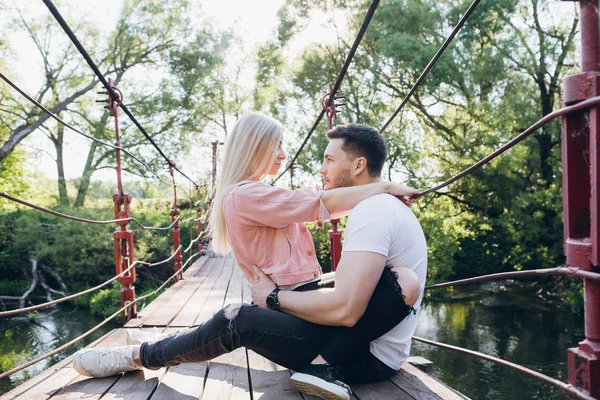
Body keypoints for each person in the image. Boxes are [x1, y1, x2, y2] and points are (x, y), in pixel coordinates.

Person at [72, 114, 427, 400]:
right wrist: (382, 186)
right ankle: (140, 355)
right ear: (256, 148)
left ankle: (153, 347)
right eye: (278, 146)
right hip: (297, 308)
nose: (285, 155)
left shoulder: (260, 194)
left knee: (380, 282)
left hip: (303, 305)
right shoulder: (245, 195)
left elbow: (315, 208)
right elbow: (316, 203)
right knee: (234, 319)